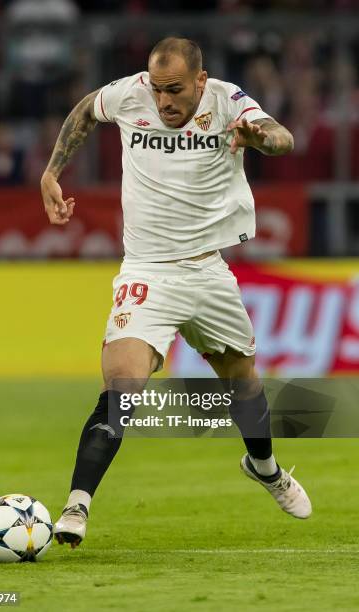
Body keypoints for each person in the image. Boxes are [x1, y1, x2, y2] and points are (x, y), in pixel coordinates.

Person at [40, 37, 312, 549]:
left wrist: (259, 138)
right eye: (158, 89)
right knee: (123, 387)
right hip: (147, 272)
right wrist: (52, 173)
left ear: (200, 82)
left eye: (176, 90)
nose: (164, 101)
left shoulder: (229, 101)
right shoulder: (130, 94)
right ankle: (77, 505)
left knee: (245, 386)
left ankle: (265, 468)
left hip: (208, 272)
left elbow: (283, 138)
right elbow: (85, 110)